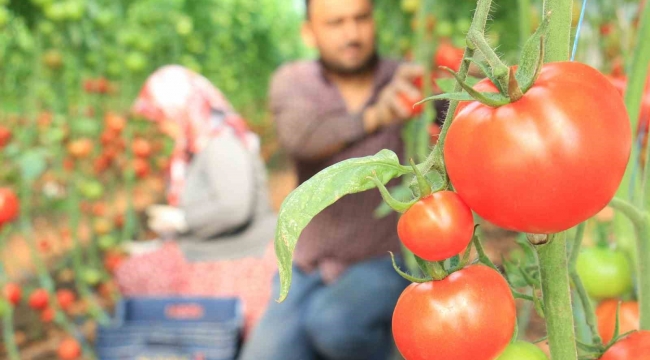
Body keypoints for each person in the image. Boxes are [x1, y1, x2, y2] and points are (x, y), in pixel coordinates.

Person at [238, 0, 428, 359]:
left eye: (360, 18)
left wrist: (436, 88)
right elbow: (302, 138)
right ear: (309, 32)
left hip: (383, 258)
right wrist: (377, 115)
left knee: (333, 325)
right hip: (309, 263)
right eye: (335, 23)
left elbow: (455, 118)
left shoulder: (404, 77)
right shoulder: (294, 81)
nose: (352, 33)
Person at [115, 65, 278, 333]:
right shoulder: (201, 146)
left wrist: (183, 219)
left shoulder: (221, 145)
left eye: (164, 117)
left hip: (240, 252)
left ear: (182, 109)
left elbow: (235, 209)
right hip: (218, 247)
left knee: (139, 274)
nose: (163, 127)